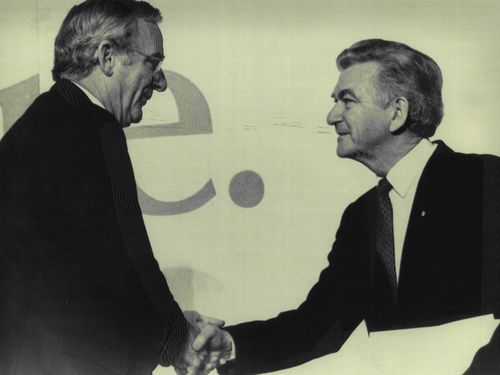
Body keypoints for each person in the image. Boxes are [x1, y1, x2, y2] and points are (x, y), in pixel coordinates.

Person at [217, 39, 500, 374]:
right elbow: (319, 326)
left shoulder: (486, 181)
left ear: (397, 112)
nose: (331, 115)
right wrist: (227, 346)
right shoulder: (361, 217)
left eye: (346, 100)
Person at [0, 1, 230, 374]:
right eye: (152, 62)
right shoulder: (95, 127)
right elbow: (126, 256)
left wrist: (167, 326)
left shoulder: (38, 124)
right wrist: (176, 336)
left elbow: (82, 280)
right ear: (107, 57)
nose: (161, 81)